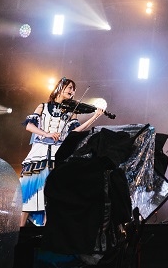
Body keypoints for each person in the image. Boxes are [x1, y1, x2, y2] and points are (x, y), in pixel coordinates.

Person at [19, 77, 105, 226]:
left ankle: (45, 230)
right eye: (70, 88)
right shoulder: (43, 106)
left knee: (51, 194)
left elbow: (75, 132)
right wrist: (46, 134)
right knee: (29, 190)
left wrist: (94, 117)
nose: (72, 92)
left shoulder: (71, 112)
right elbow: (29, 126)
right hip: (39, 151)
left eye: (74, 89)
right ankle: (21, 230)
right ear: (60, 87)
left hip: (57, 152)